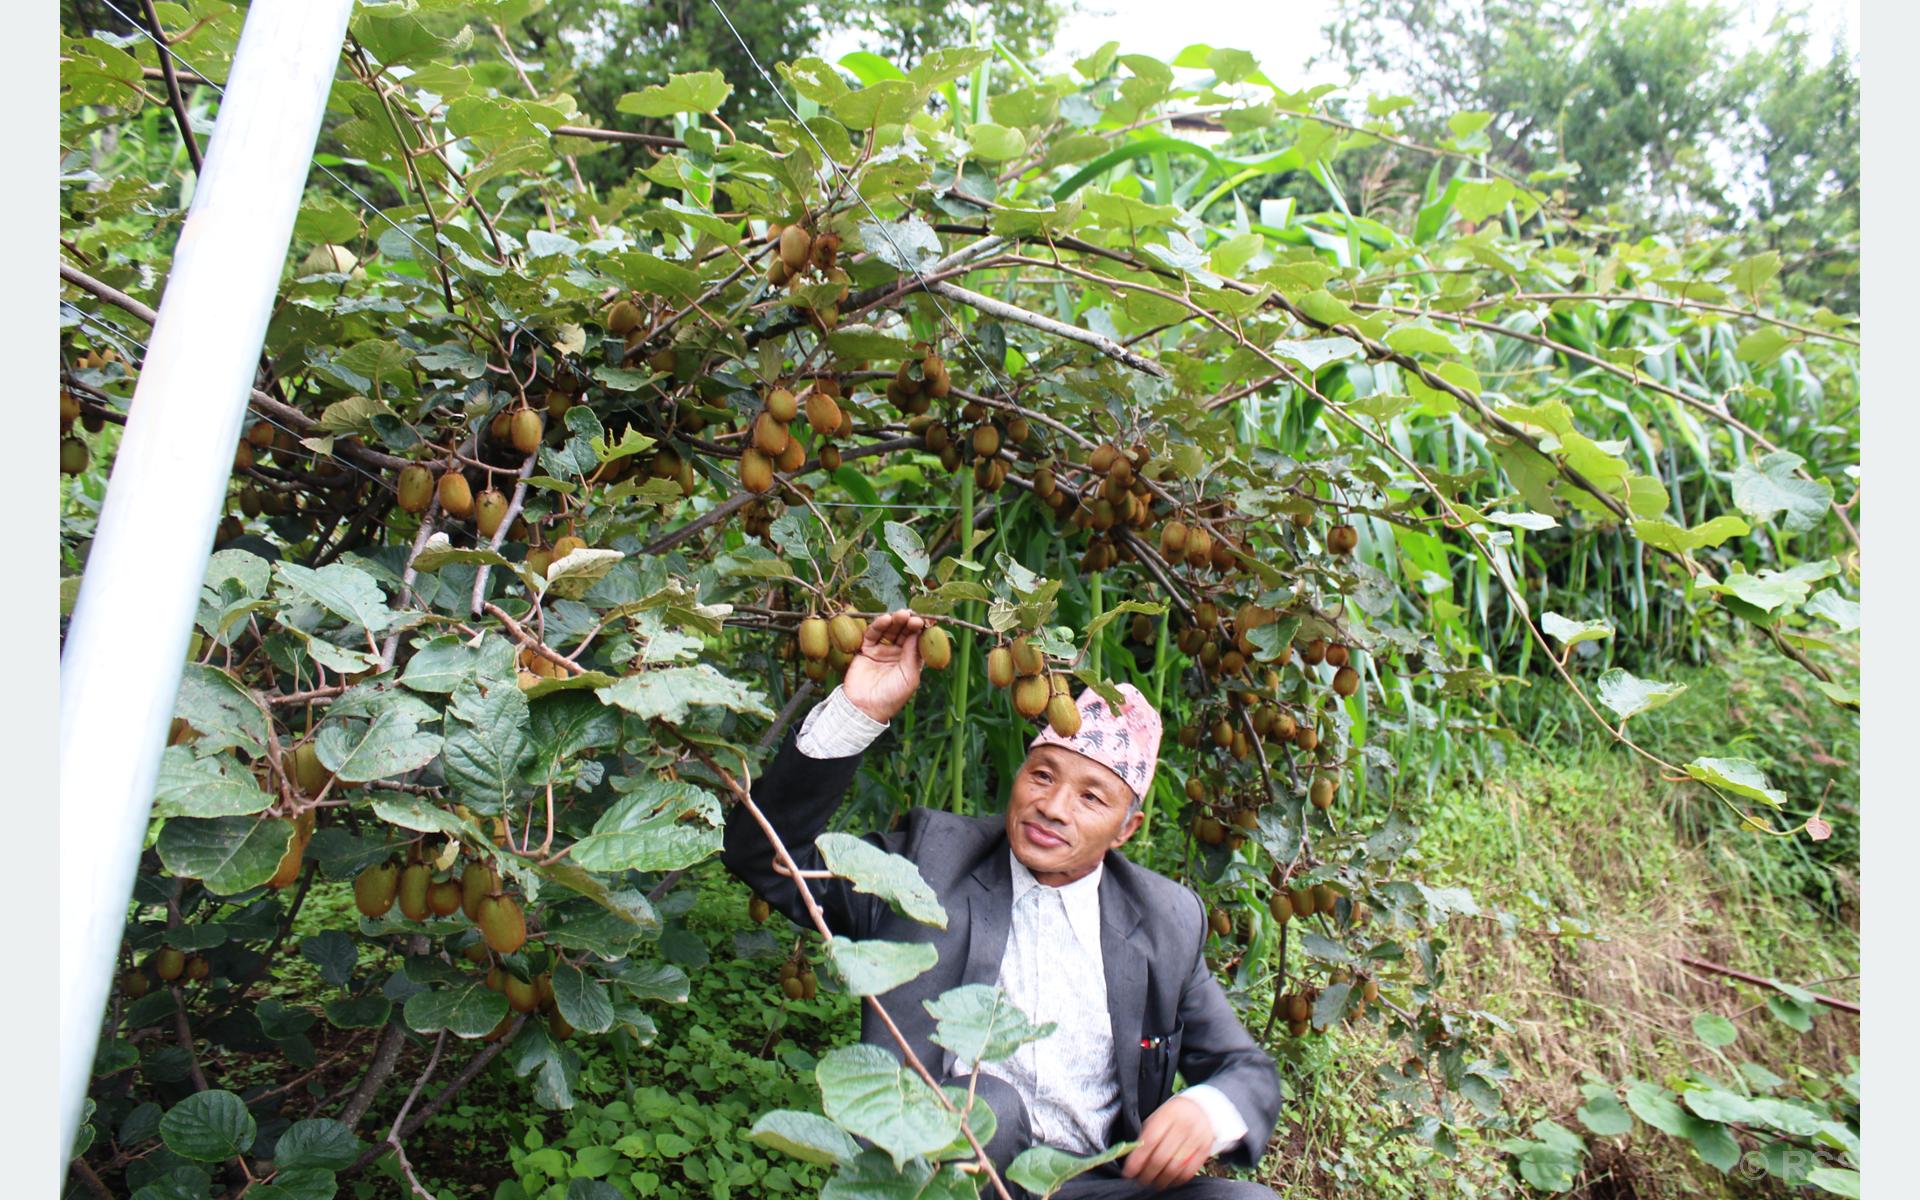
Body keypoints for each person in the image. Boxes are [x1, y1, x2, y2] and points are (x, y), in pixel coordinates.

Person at [724, 610, 1282, 1198]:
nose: (1054, 807)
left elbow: (1245, 1070)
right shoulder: (928, 864)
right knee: (988, 1104)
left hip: (1097, 1185)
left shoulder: (1166, 918)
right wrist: (859, 710)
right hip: (952, 1171)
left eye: (1091, 796)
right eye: (1042, 776)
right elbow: (765, 858)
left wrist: (1206, 1109)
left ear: (1126, 829)